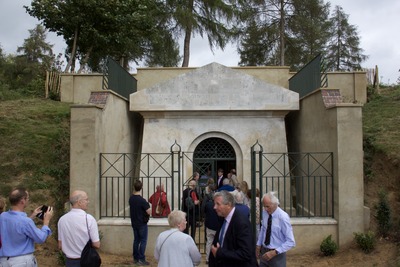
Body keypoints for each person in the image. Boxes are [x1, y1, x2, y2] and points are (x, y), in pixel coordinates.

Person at [0, 187, 54, 267]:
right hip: (21, 261)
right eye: (27, 198)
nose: (28, 200)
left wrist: (31, 216)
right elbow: (40, 238)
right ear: (22, 201)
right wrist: (46, 222)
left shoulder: (2, 216)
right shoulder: (25, 222)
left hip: (4, 261)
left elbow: (17, 225)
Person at [209, 190, 258, 267]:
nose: (214, 207)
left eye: (218, 204)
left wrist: (220, 253)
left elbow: (245, 253)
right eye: (214, 204)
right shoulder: (222, 218)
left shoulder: (241, 223)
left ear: (228, 205)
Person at [58, 190, 100, 267]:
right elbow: (96, 244)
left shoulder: (62, 219)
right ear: (79, 202)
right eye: (86, 199)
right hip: (86, 260)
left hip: (69, 261)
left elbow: (60, 245)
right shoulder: (89, 219)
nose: (88, 202)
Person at [256, 192, 295, 267]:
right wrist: (258, 245)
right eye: (264, 206)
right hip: (264, 252)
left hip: (277, 255)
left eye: (268, 206)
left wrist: (274, 252)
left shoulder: (283, 217)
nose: (265, 209)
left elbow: (291, 242)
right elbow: (263, 229)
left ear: (275, 204)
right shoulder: (265, 213)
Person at [129, 180, 151, 266]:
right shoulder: (142, 200)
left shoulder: (131, 199)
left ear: (134, 187)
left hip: (134, 222)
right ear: (141, 188)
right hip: (141, 223)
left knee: (136, 240)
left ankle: (135, 258)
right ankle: (141, 259)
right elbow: (149, 212)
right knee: (143, 240)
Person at [202, 184, 221, 264]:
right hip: (217, 226)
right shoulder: (220, 205)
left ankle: (207, 258)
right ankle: (217, 257)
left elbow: (204, 211)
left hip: (209, 225)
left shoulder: (208, 204)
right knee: (218, 243)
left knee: (209, 242)